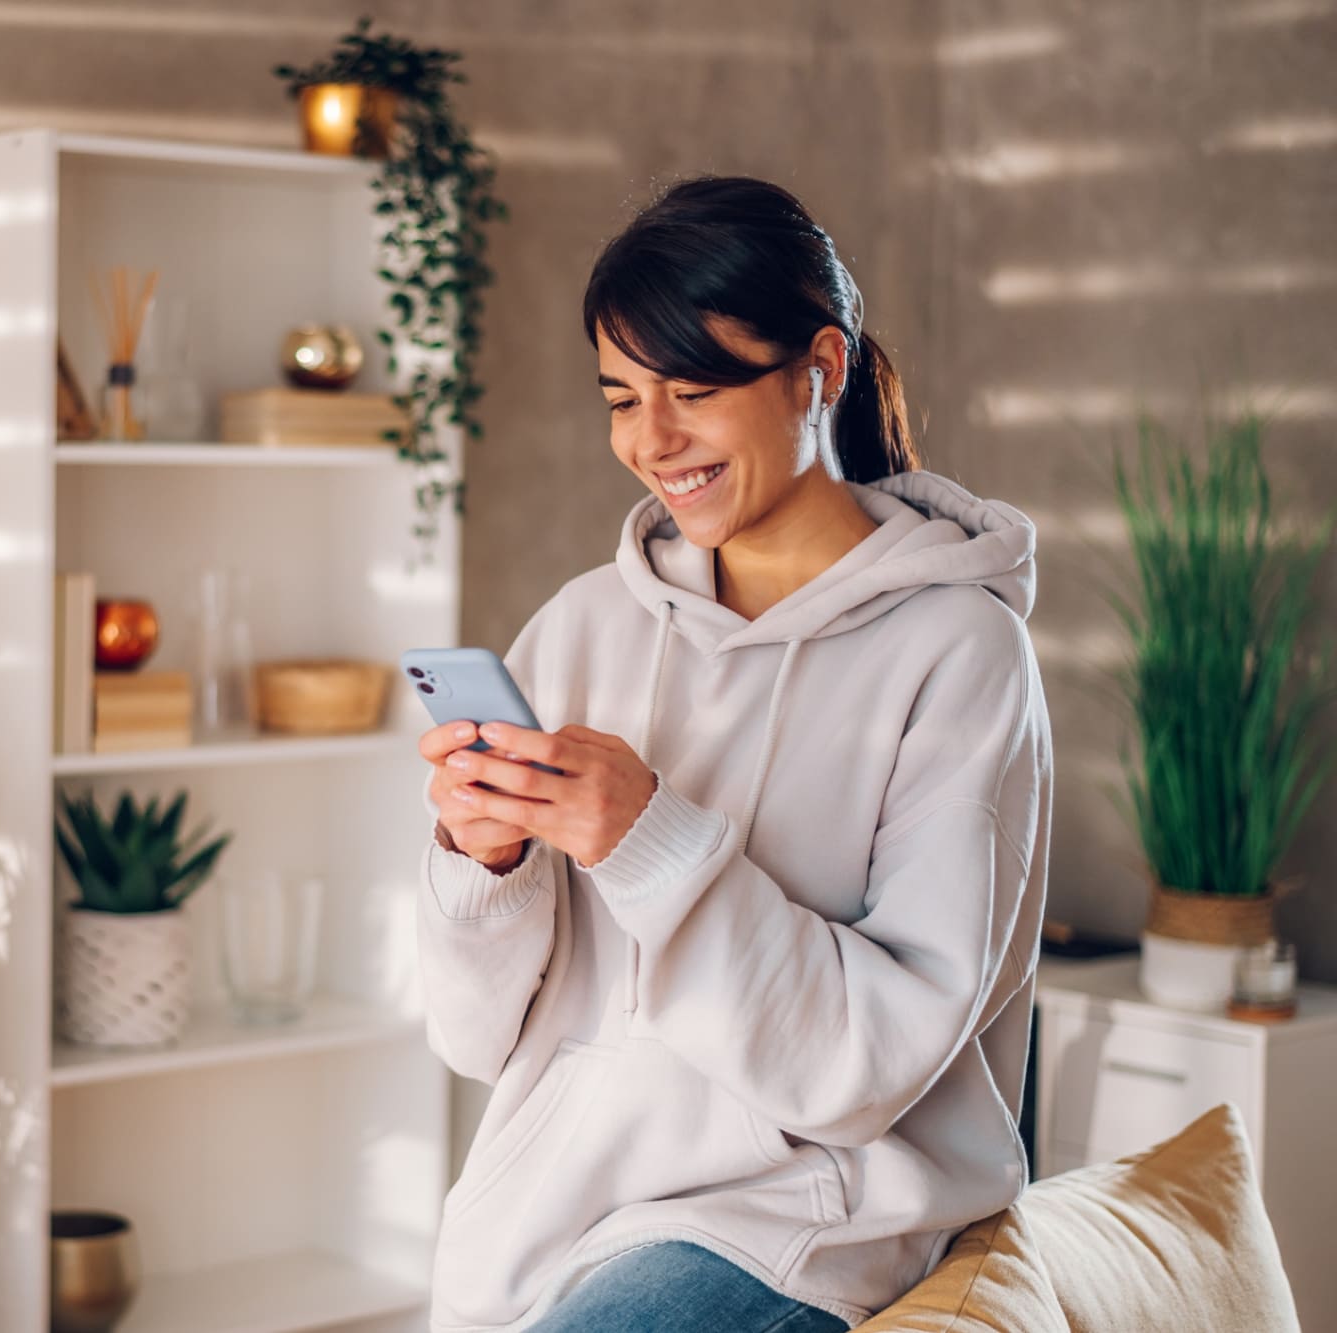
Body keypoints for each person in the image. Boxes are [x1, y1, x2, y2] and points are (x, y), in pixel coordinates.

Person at [413, 174, 1053, 1331]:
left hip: (798, 1212)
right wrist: (482, 863)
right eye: (618, 398)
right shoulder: (577, 628)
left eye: (692, 391)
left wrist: (645, 837)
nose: (649, 441)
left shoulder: (957, 652)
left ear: (820, 368)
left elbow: (867, 1065)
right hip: (555, 1208)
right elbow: (470, 1039)